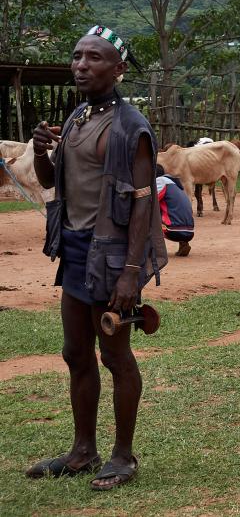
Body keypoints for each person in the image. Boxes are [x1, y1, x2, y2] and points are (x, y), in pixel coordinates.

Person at [27, 25, 167, 490]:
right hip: (74, 248)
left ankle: (123, 457)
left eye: (94, 58)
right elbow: (53, 183)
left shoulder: (130, 128)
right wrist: (41, 151)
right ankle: (82, 451)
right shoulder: (77, 117)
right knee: (74, 353)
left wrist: (131, 273)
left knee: (115, 354)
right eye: (77, 56)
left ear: (119, 68)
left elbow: (145, 202)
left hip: (110, 257)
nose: (81, 65)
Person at [155, 165, 195, 257]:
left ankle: (153, 247)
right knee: (171, 208)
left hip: (172, 231)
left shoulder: (160, 182)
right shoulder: (177, 186)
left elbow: (151, 202)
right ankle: (184, 243)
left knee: (146, 213)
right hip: (189, 232)